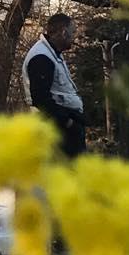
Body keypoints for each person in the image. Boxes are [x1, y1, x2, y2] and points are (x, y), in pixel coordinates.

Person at [24, 14, 85, 157]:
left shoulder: (53, 53)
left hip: (63, 126)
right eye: (73, 32)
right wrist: (68, 123)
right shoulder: (41, 57)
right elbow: (40, 98)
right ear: (64, 32)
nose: (74, 36)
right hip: (58, 130)